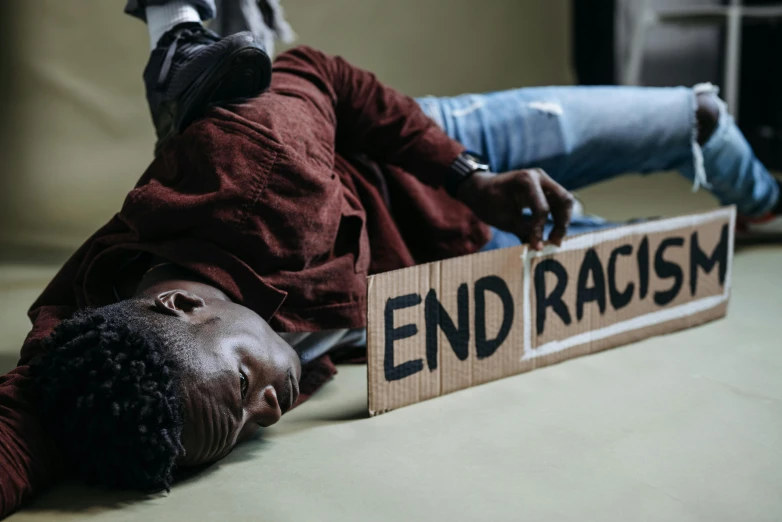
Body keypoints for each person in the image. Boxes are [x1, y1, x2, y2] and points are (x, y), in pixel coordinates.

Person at [2, 2, 781, 519]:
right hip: (453, 262)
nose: (269, 412)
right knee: (657, 252)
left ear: (182, 304)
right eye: (243, 426)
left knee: (701, 120)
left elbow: (324, 77)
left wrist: (470, 176)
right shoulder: (95, 375)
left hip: (431, 158)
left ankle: (765, 199)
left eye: (241, 390)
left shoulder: (259, 170)